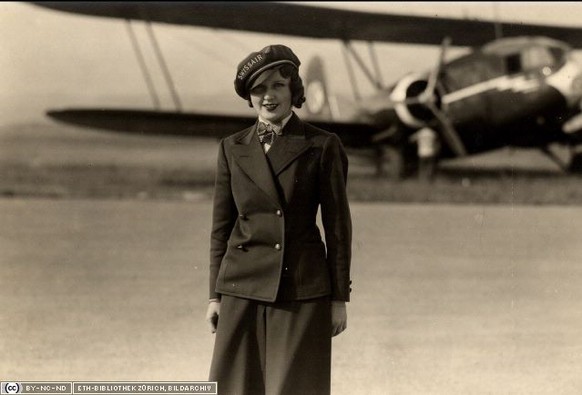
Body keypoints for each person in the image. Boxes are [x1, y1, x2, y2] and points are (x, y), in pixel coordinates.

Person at [205, 44, 352, 395]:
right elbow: (221, 228)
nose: (268, 97)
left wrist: (338, 298)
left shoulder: (322, 145)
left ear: (294, 90)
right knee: (235, 387)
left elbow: (338, 229)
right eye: (258, 89)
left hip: (301, 288)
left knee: (294, 387)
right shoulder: (231, 147)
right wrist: (214, 296)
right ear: (249, 97)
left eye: (277, 86)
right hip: (241, 286)